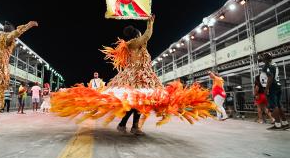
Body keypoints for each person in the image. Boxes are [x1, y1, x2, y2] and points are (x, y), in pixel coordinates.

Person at [51, 15, 216, 135]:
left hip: (140, 76)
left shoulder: (135, 45)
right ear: (136, 35)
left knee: (136, 103)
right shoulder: (133, 43)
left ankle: (125, 125)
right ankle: (133, 126)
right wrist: (150, 24)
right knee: (139, 102)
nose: (141, 38)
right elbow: (147, 36)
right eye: (139, 35)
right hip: (136, 78)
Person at [261, 53, 289, 130]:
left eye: (263, 57)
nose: (262, 59)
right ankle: (284, 122)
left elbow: (270, 77)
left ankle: (277, 124)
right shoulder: (274, 65)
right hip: (278, 86)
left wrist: (266, 89)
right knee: (279, 105)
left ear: (266, 59)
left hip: (272, 87)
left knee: (274, 106)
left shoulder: (267, 66)